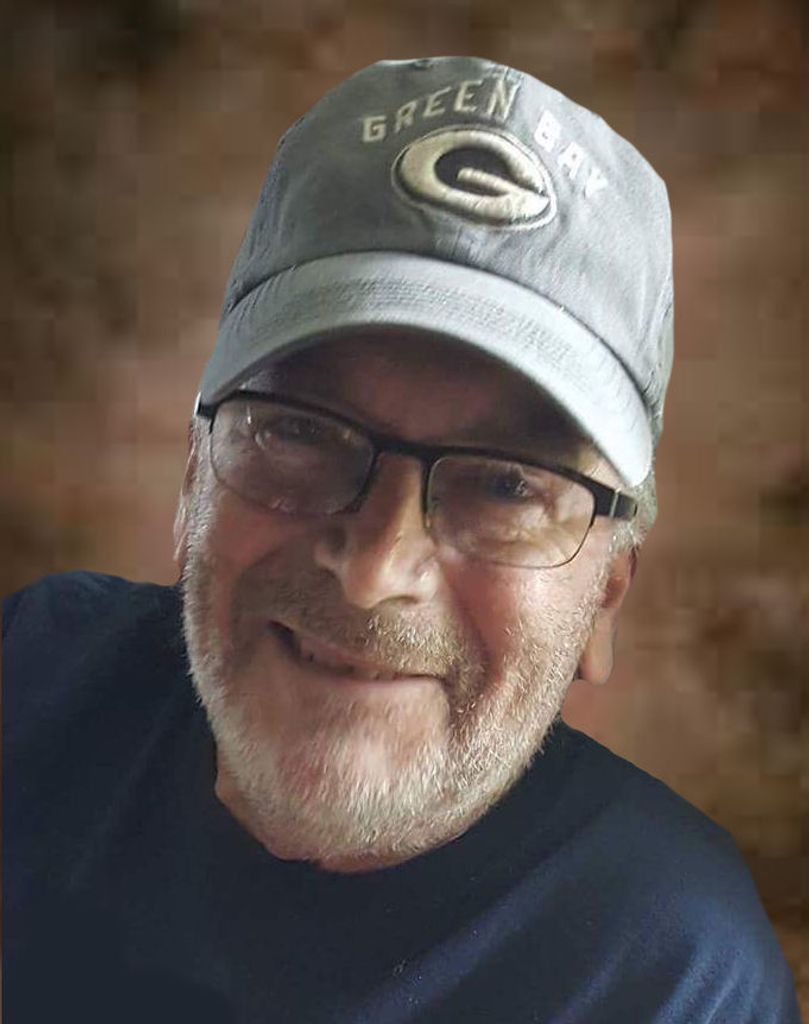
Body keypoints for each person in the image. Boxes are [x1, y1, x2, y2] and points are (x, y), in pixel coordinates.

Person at [4, 57, 800, 1023]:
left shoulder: (670, 979)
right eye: (299, 431)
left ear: (604, 594)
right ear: (192, 479)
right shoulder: (36, 684)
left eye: (506, 486)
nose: (376, 568)